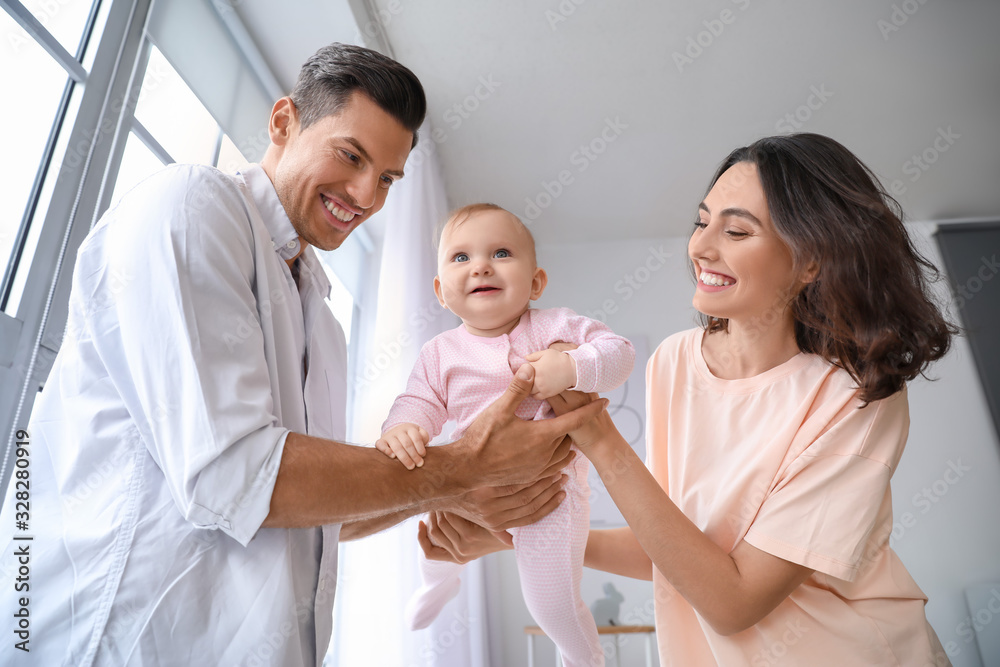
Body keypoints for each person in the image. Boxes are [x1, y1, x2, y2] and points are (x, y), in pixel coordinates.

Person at [0, 44, 603, 667]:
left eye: (388, 178)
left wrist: (439, 494)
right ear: (284, 122)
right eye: (351, 155)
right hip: (110, 643)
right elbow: (236, 473)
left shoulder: (319, 311)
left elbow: (311, 511)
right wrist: (460, 469)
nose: (367, 195)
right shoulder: (191, 206)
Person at [418, 133, 957, 666]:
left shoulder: (856, 397)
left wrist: (598, 437)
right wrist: (523, 540)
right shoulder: (676, 361)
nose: (700, 247)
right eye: (702, 222)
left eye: (737, 230)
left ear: (810, 261)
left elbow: (734, 601)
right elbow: (680, 550)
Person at [375, 203, 635, 666]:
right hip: (471, 488)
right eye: (460, 258)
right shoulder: (440, 352)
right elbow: (418, 401)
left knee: (550, 604)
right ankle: (437, 584)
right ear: (440, 292)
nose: (480, 266)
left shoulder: (555, 327)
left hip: (548, 497)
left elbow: (619, 355)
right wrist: (402, 429)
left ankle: (584, 659)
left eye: (500, 252)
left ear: (535, 283)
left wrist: (572, 367)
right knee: (436, 539)